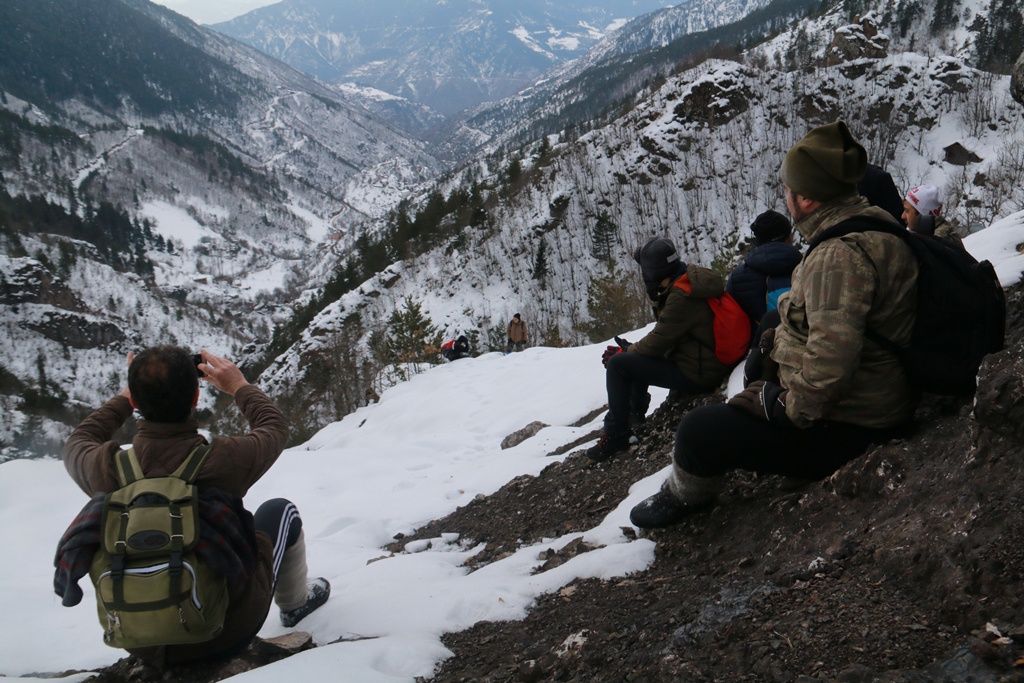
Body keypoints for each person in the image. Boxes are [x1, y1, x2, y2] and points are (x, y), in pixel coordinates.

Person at [630, 121, 919, 528]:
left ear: (806, 197)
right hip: (882, 392)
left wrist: (783, 406)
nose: (786, 197)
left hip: (855, 425)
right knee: (772, 324)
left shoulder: (836, 256)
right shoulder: (872, 221)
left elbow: (828, 373)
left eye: (789, 189)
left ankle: (686, 497)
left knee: (699, 430)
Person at [55, 347, 330, 664]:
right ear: (196, 398)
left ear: (135, 403)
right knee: (281, 512)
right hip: (224, 634)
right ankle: (295, 606)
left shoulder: (105, 467)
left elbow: (79, 440)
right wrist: (238, 385)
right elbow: (274, 427)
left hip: (138, 640)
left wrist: (125, 397)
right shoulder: (223, 458)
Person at [586, 236, 731, 462]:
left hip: (698, 374)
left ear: (651, 274)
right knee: (631, 354)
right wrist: (629, 349)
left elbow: (658, 342)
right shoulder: (686, 280)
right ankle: (633, 418)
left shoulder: (681, 297)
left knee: (618, 364)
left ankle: (617, 435)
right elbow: (666, 336)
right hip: (703, 361)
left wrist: (626, 352)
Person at [724, 210, 801, 344]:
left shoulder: (737, 277)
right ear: (789, 236)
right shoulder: (809, 266)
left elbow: (730, 321)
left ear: (757, 240)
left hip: (757, 353)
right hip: (803, 347)